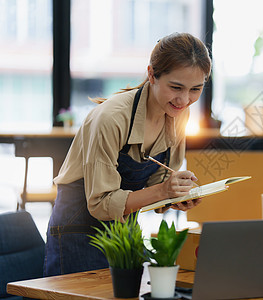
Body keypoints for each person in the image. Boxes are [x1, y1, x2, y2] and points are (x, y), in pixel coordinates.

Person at [43, 32, 211, 276]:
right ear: (152, 74)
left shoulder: (177, 113)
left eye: (196, 89)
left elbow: (158, 184)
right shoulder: (112, 118)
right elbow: (100, 203)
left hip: (124, 231)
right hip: (78, 229)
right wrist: (164, 191)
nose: (185, 100)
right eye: (176, 87)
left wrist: (177, 196)